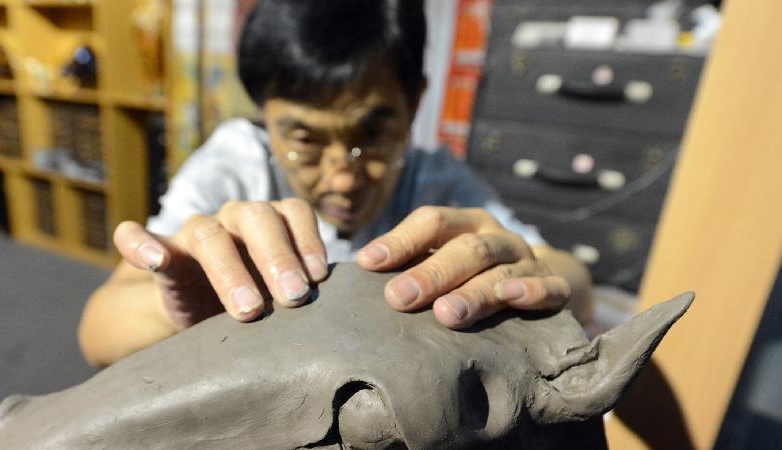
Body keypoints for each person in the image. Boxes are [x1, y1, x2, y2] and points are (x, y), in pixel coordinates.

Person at [78, 0, 592, 368]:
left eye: (373, 133)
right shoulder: (237, 165)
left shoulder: (436, 183)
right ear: (264, 115)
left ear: (415, 103)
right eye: (304, 139)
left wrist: (524, 269)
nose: (344, 177)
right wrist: (180, 307)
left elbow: (579, 287)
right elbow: (99, 330)